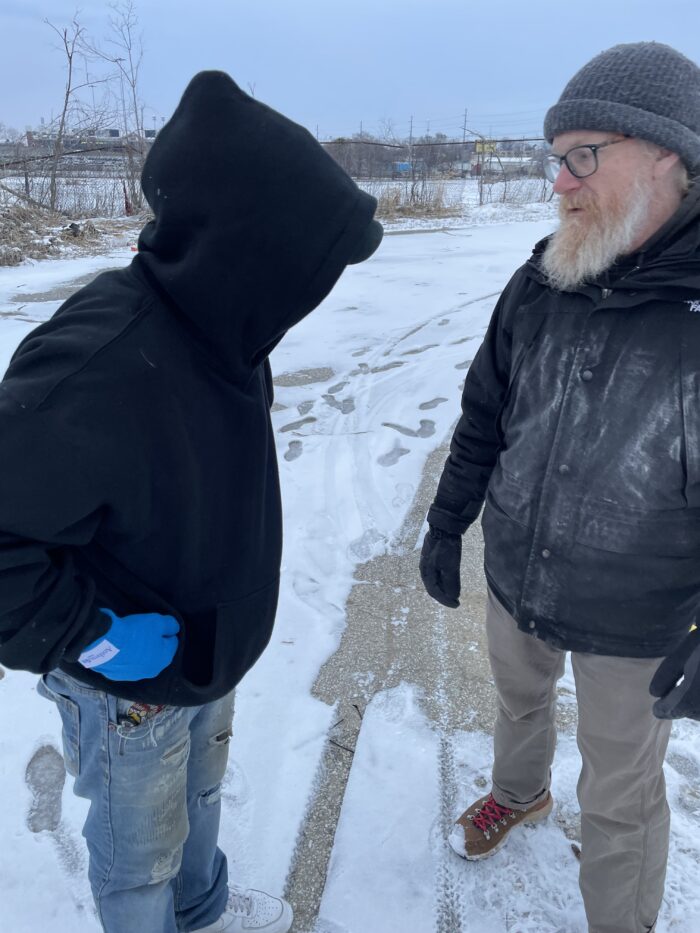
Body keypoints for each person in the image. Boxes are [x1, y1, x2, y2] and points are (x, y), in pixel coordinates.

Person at [0, 71, 382, 933]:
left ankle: (203, 910)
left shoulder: (229, 327)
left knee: (200, 795)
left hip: (207, 651)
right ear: (249, 249)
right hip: (123, 681)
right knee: (139, 860)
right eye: (303, 266)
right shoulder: (96, 363)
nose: (311, 292)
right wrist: (92, 635)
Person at [419, 41, 700, 933]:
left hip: (639, 617)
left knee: (620, 796)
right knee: (518, 699)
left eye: (585, 155)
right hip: (519, 573)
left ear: (670, 156)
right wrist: (446, 519)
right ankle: (520, 791)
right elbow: (483, 414)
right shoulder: (543, 278)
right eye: (557, 158)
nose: (561, 182)